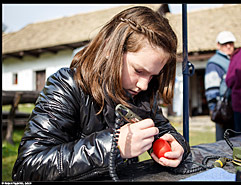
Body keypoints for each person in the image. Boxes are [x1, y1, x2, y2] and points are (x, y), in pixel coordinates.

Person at [12, 6, 190, 181]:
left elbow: (162, 131)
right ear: (109, 50)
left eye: (152, 76)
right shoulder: (66, 86)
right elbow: (28, 167)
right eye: (138, 71)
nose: (144, 85)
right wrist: (112, 145)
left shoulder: (140, 96)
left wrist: (176, 144)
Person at [204, 31, 236, 141]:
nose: (228, 46)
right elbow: (211, 88)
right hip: (223, 108)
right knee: (224, 141)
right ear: (218, 45)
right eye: (224, 44)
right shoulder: (214, 63)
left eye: (230, 43)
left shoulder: (233, 59)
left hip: (235, 107)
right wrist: (214, 108)